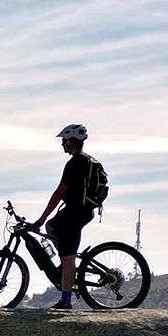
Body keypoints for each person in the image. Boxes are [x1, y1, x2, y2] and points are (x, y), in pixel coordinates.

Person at [35, 123, 104, 308]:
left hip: (75, 213)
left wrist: (40, 219)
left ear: (72, 141)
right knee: (51, 226)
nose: (62, 144)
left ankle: (66, 300)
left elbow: (59, 193)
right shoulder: (88, 160)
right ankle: (68, 264)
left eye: (64, 141)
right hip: (81, 211)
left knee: (67, 258)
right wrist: (44, 222)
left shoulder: (75, 163)